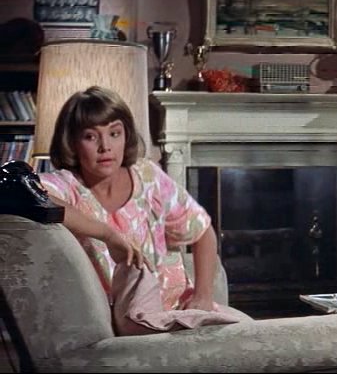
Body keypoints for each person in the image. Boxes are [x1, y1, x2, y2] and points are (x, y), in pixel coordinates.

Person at [39, 86, 219, 312]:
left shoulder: (148, 176)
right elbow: (27, 193)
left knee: (248, 329)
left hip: (178, 310)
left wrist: (203, 296)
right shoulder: (68, 186)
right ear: (72, 143)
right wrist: (107, 234)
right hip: (121, 318)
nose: (105, 147)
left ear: (126, 136)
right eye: (90, 136)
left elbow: (203, 231)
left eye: (114, 133)